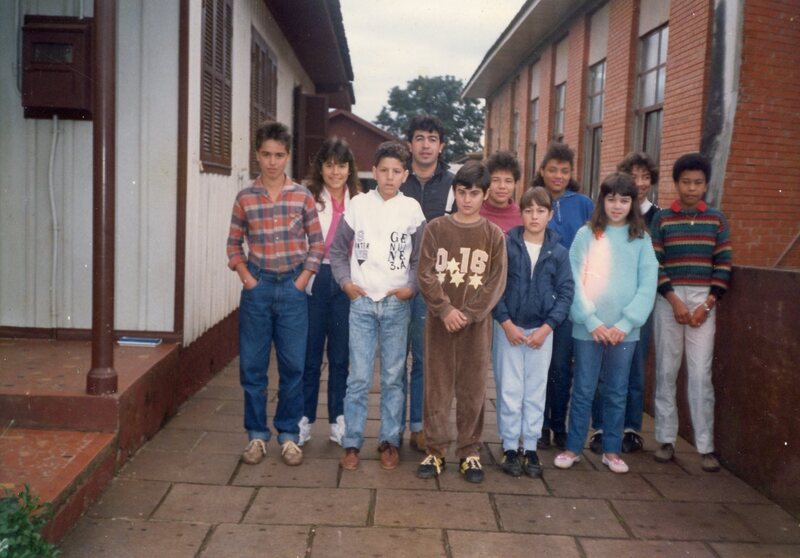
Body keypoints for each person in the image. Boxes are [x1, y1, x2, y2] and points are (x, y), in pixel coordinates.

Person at [227, 121, 324, 467]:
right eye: (266, 154)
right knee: (253, 367)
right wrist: (247, 278)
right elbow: (233, 244)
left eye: (279, 155)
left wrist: (302, 280)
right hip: (258, 288)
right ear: (257, 154)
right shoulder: (245, 198)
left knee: (293, 366)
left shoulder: (302, 196)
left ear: (288, 156)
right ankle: (256, 435)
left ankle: (288, 435)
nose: (272, 162)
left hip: (293, 289)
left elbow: (317, 244)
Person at [330, 141, 426, 471]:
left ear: (405, 175)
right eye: (383, 170)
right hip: (362, 304)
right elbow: (337, 250)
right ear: (373, 172)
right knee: (358, 376)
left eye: (396, 171)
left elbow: (420, 257)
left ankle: (389, 440)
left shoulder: (411, 209)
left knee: (393, 376)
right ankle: (352, 441)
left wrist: (411, 287)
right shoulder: (359, 205)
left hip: (396, 304)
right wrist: (346, 284)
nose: (389, 177)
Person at [554, 172, 657, 474]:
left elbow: (647, 284)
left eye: (624, 200)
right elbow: (573, 280)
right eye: (611, 199)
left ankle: (612, 450)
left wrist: (626, 323)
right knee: (583, 389)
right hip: (589, 328)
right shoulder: (586, 235)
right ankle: (573, 448)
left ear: (632, 203)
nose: (617, 206)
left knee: (616, 391)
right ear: (602, 201)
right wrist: (590, 320)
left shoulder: (641, 239)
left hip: (625, 332)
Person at [415, 160, 507, 483]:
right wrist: (444, 309)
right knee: (437, 386)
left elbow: (496, 281)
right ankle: (435, 450)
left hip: (475, 326)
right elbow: (425, 272)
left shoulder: (493, 235)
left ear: (485, 195)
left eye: (475, 193)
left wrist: (468, 313)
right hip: (439, 323)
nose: (468, 199)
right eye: (462, 192)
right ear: (454, 192)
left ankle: (470, 452)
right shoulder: (436, 228)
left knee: (473, 388)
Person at [651, 153, 732, 473]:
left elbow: (723, 265)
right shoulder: (662, 220)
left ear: (706, 185)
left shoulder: (717, 219)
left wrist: (707, 305)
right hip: (668, 299)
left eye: (698, 183)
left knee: (700, 374)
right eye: (686, 182)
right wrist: (674, 300)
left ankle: (705, 446)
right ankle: (665, 439)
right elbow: (655, 263)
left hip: (703, 301)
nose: (691, 188)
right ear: (676, 183)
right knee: (666, 371)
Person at [492, 187, 574, 478]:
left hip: (541, 331)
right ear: (521, 213)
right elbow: (495, 286)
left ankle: (530, 446)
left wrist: (548, 327)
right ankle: (509, 446)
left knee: (535, 390)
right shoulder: (507, 246)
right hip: (509, 329)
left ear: (550, 215)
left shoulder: (559, 252)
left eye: (541, 211)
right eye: (529, 210)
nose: (535, 216)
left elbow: (566, 292)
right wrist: (506, 322)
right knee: (509, 388)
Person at [589, 152, 661, 454]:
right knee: (603, 369)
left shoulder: (658, 217)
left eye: (646, 177)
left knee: (634, 368)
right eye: (634, 176)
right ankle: (601, 427)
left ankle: (630, 428)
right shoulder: (607, 217)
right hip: (607, 303)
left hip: (638, 307)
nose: (640, 183)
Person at [298, 138, 361, 447]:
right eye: (329, 165)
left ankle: (338, 419)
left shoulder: (360, 200)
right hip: (316, 276)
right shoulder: (308, 197)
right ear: (320, 168)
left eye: (341, 166)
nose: (335, 172)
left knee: (340, 356)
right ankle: (304, 420)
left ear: (350, 169)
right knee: (310, 355)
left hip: (345, 279)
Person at [531, 142, 594, 449]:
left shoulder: (583, 204)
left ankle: (558, 424)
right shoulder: (533, 200)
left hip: (571, 296)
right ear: (542, 170)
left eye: (564, 171)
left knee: (561, 366)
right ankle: (539, 425)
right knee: (537, 364)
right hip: (537, 295)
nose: (558, 176)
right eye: (553, 169)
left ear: (571, 173)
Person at [399, 113, 455, 452]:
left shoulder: (452, 185)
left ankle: (419, 427)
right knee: (394, 360)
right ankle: (392, 429)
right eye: (419, 138)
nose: (425, 145)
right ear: (409, 144)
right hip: (395, 281)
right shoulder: (397, 179)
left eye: (432, 139)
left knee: (424, 359)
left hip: (433, 286)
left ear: (441, 146)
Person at [480, 151, 523, 234]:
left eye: (508, 181)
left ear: (515, 184)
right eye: (495, 180)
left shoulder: (522, 217)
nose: (502, 186)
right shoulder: (475, 213)